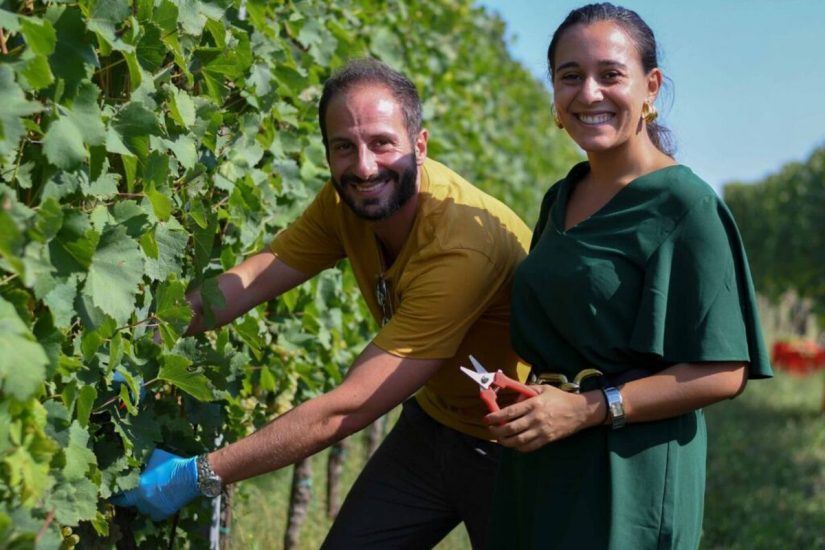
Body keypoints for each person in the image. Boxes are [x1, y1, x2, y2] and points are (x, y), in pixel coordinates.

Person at [112, 58, 532, 549]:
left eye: (382, 142)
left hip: (511, 448)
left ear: (420, 145)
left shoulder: (460, 249)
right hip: (434, 422)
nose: (364, 166)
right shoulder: (347, 200)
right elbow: (257, 274)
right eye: (344, 147)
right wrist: (145, 335)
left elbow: (345, 411)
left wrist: (199, 474)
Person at [484, 4, 773, 549]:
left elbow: (722, 371)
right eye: (570, 76)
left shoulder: (685, 205)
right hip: (545, 459)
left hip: (630, 472)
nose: (589, 92)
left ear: (650, 87)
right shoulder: (561, 196)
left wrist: (588, 409)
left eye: (610, 74)